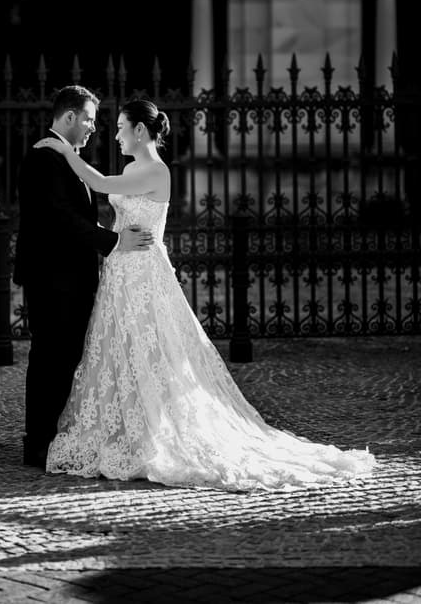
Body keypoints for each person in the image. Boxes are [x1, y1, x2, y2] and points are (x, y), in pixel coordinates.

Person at [34, 98, 376, 490]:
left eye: (122, 128)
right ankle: (129, 428)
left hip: (144, 273)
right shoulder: (133, 167)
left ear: (140, 131)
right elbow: (115, 205)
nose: (115, 135)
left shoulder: (157, 171)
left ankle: (157, 434)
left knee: (154, 349)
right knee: (122, 349)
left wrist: (63, 150)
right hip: (121, 271)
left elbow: (102, 185)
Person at [13, 85, 154, 469]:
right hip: (52, 277)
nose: (94, 128)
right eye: (90, 119)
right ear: (70, 117)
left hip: (70, 279)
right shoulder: (45, 158)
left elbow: (81, 211)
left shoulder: (66, 157)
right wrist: (113, 241)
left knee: (65, 357)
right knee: (50, 358)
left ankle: (53, 434)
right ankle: (38, 442)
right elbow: (60, 218)